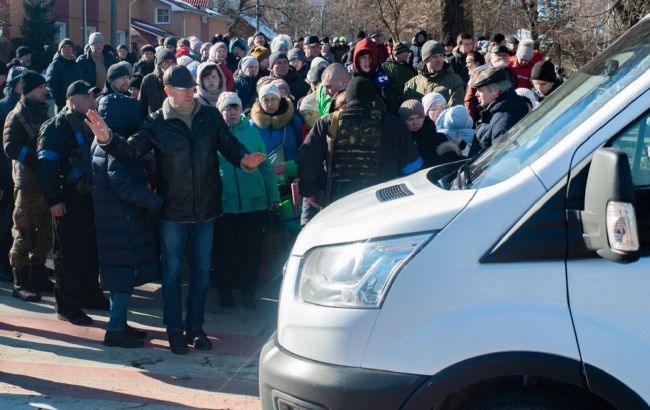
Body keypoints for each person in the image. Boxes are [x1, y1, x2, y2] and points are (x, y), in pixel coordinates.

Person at [85, 65, 266, 354]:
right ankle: (174, 330)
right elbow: (131, 150)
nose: (190, 94)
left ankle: (196, 327)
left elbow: (228, 144)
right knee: (170, 273)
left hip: (207, 209)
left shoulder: (209, 116)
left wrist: (243, 160)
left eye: (192, 88)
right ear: (168, 91)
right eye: (183, 90)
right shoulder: (156, 122)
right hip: (173, 211)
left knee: (202, 272)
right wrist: (108, 140)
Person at [93, 66, 158, 348]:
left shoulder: (105, 139)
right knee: (122, 276)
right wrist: (155, 201)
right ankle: (116, 328)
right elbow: (124, 185)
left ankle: (119, 323)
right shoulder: (117, 147)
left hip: (114, 218)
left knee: (121, 275)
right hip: (122, 219)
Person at [298, 76, 422, 221]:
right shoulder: (394, 123)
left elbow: (308, 158)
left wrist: (311, 191)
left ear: (347, 98)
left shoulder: (328, 122)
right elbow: (412, 165)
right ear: (373, 100)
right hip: (384, 199)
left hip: (339, 201)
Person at [37, 80, 108, 326]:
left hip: (90, 198)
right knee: (69, 255)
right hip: (68, 199)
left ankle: (90, 294)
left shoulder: (91, 123)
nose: (91, 100)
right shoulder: (57, 126)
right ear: (70, 100)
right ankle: (67, 306)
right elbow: (46, 165)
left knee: (90, 251)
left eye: (92, 97)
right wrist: (54, 199)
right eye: (86, 96)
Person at [213, 92, 279, 309]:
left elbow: (266, 167)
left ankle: (248, 292)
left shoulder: (252, 133)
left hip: (254, 202)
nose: (231, 112)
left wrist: (273, 196)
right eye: (227, 108)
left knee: (251, 252)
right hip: (225, 203)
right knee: (225, 251)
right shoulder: (214, 136)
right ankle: (226, 292)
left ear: (241, 110)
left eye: (234, 107)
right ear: (220, 112)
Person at [3, 71, 55, 301]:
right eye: (40, 87)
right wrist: (35, 158)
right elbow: (10, 147)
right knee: (24, 233)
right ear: (29, 90)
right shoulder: (17, 115)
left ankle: (37, 274)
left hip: (44, 181)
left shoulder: (42, 110)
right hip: (27, 182)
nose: (44, 90)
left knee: (45, 233)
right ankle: (20, 281)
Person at [250, 83, 305, 188]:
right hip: (265, 181)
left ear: (280, 100)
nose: (270, 103)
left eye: (273, 99)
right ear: (260, 102)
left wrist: (296, 168)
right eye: (265, 100)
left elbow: (303, 147)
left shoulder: (293, 121)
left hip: (292, 178)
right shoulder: (252, 125)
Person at [468, 66, 529, 156]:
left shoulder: (505, 121)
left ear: (496, 91)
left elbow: (502, 159)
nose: (476, 94)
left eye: (480, 90)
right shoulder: (494, 113)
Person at [399, 99, 462, 168]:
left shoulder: (439, 138)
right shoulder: (400, 141)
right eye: (410, 119)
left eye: (419, 117)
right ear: (403, 121)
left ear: (424, 117)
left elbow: (453, 163)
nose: (415, 122)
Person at [403, 40, 465, 106]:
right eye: (434, 56)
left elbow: (455, 111)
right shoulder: (412, 85)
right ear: (426, 60)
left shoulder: (454, 81)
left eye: (441, 55)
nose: (439, 60)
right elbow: (409, 111)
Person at [351, 38, 396, 113]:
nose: (366, 61)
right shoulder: (351, 80)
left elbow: (392, 104)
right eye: (362, 57)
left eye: (369, 57)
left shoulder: (381, 77)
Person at [139, 49, 176, 120]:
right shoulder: (149, 80)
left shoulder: (179, 78)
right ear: (159, 65)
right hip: (153, 121)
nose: (170, 65)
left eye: (173, 62)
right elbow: (141, 104)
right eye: (167, 62)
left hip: (173, 122)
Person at [46, 38, 82, 112]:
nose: (67, 49)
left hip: (76, 102)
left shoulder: (76, 65)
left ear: (73, 50)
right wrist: (59, 101)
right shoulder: (55, 65)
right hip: (62, 104)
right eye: (64, 47)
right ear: (60, 50)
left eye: (69, 47)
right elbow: (51, 84)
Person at [382, 42, 417, 111]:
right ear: (397, 54)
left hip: (407, 103)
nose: (407, 54)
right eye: (404, 52)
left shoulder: (410, 69)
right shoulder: (385, 66)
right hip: (389, 103)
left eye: (407, 52)